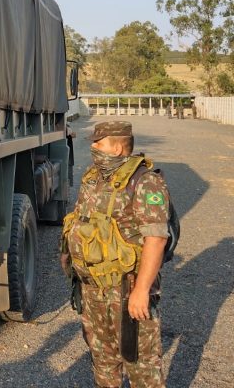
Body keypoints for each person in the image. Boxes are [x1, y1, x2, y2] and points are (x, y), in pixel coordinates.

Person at [61, 121, 170, 388]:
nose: (94, 148)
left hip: (126, 289)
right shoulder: (93, 178)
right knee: (103, 361)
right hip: (92, 289)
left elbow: (156, 239)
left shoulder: (145, 182)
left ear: (118, 148)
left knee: (141, 365)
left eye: (99, 143)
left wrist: (141, 291)